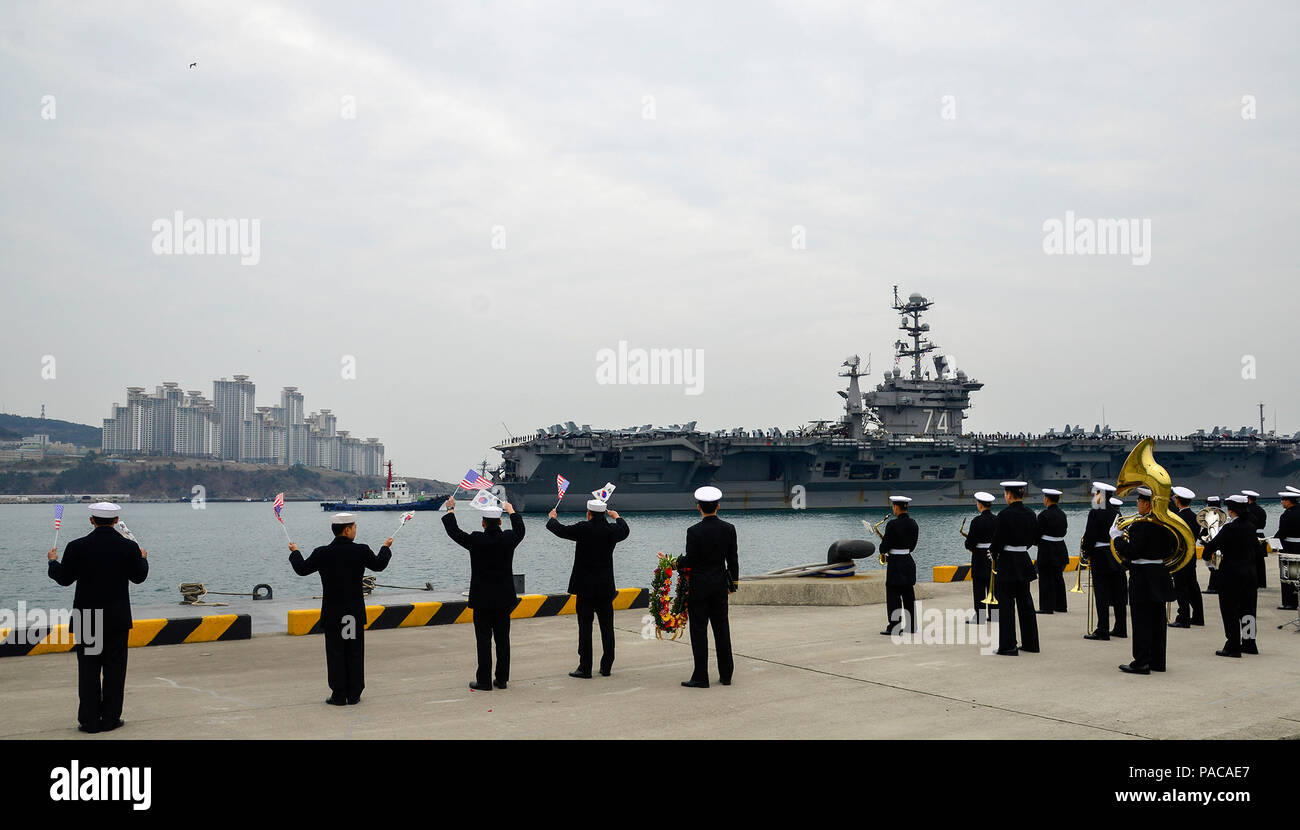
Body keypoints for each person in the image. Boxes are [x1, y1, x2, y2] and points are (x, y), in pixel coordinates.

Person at [46, 502, 149, 733]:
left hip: (87, 618)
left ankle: (89, 720)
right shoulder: (128, 547)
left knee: (88, 670)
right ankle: (111, 718)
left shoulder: (76, 547)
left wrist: (53, 562)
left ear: (91, 520)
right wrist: (142, 557)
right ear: (115, 520)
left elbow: (63, 579)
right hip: (116, 619)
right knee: (114, 671)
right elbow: (139, 577)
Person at [289, 512, 393, 705]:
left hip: (333, 613)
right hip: (352, 614)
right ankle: (354, 694)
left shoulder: (322, 552)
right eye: (354, 527)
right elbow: (379, 565)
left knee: (336, 653)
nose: (355, 530)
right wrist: (385, 548)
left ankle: (338, 695)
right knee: (354, 651)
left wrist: (295, 552)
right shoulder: (361, 550)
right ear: (347, 530)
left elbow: (302, 569)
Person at [442, 496, 525, 691]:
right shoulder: (508, 539)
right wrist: (511, 510)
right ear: (500, 521)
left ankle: (484, 681)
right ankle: (502, 679)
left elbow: (454, 532)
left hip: (482, 600)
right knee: (503, 640)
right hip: (504, 599)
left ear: (483, 522)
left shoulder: (476, 539)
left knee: (483, 641)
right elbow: (520, 531)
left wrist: (451, 510)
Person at [547, 498, 629, 678]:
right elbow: (625, 530)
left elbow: (560, 530)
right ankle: (606, 666)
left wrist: (552, 518)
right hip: (605, 588)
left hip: (584, 588)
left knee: (585, 627)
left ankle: (585, 667)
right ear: (603, 513)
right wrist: (617, 517)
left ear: (589, 513)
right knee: (607, 627)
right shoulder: (612, 530)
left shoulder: (583, 528)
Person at [1110, 486, 1176, 674]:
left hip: (1142, 577)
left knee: (1141, 620)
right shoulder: (1167, 524)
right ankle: (1157, 661)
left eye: (1139, 501)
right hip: (1159, 574)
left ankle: (1141, 662)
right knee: (1158, 620)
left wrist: (1117, 539)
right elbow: (1172, 548)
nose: (1138, 504)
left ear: (1147, 504)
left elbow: (1132, 552)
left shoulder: (1139, 525)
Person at [679, 486, 739, 688]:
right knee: (722, 629)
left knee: (698, 631)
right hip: (720, 586)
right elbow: (733, 560)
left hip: (699, 588)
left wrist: (673, 563)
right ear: (718, 506)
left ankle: (701, 677)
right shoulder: (729, 529)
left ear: (698, 507)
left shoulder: (693, 531)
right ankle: (726, 675)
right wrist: (733, 584)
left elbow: (690, 561)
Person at [1202, 495, 1260, 657]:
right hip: (1250, 574)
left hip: (1231, 575)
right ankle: (1249, 643)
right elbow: (1257, 550)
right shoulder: (1250, 526)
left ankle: (1233, 645)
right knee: (1248, 610)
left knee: (1230, 611)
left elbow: (1210, 548)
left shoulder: (1229, 528)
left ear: (1230, 510)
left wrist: (1210, 563)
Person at [990, 481, 1039, 655]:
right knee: (1026, 604)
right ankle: (1031, 643)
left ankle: (1008, 645)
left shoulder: (1004, 515)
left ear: (1009, 494)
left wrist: (993, 553)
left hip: (1008, 563)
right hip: (1024, 560)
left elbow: (997, 541)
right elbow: (1035, 539)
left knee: (1006, 606)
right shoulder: (1031, 514)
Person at [1081, 483, 1126, 640]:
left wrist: (1086, 552)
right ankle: (1121, 627)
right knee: (1119, 594)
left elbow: (1090, 536)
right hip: (1116, 555)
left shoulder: (1095, 513)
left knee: (1101, 594)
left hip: (1100, 556)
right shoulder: (1117, 513)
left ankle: (1103, 630)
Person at [878, 495, 919, 635]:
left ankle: (895, 626)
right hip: (908, 560)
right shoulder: (914, 523)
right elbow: (913, 546)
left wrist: (883, 549)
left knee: (893, 596)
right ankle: (912, 626)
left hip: (895, 563)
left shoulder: (892, 525)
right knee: (908, 595)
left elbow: (884, 546)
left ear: (896, 507)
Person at [1169, 486, 1205, 627]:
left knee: (1181, 587)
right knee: (1193, 586)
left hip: (1180, 557)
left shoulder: (1178, 518)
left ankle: (1183, 617)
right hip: (1191, 557)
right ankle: (1198, 617)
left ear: (1177, 501)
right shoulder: (1195, 517)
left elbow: (1174, 538)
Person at [963, 492, 997, 624]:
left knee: (979, 588)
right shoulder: (997, 520)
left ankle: (980, 616)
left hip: (979, 557)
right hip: (993, 556)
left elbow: (970, 542)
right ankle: (994, 615)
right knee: (993, 587)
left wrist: (967, 544)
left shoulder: (976, 521)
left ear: (980, 504)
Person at [1033, 488, 1069, 614]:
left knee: (1045, 578)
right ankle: (1061, 605)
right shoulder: (1062, 514)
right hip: (1060, 547)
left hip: (1046, 548)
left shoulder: (1043, 515)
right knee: (1058, 577)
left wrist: (1036, 542)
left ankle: (1046, 607)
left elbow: (1037, 533)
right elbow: (1064, 531)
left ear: (1046, 499)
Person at [1275, 490, 1299, 610]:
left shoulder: (1286, 515)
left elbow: (1282, 532)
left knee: (1288, 575)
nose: (1282, 502)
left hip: (1289, 548)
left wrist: (1274, 540)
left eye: (1283, 500)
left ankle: (1290, 602)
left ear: (1288, 501)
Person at [1242, 490, 1268, 589]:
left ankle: (1252, 582)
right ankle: (1262, 582)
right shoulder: (1261, 510)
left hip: (1251, 535)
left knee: (1250, 560)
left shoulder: (1247, 510)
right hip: (1261, 534)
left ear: (1247, 499)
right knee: (1260, 561)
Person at [1201, 495, 1226, 594]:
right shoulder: (1223, 517)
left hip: (1212, 545)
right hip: (1217, 545)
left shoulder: (1211, 517)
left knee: (1214, 567)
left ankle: (1213, 586)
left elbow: (1204, 532)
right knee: (1215, 567)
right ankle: (1214, 586)